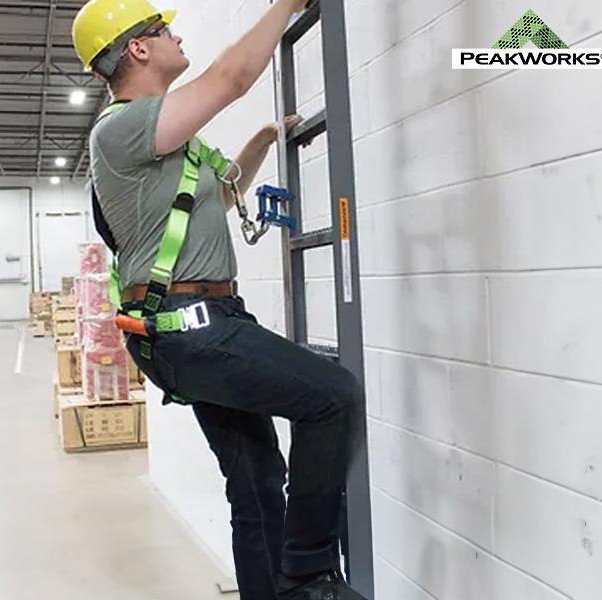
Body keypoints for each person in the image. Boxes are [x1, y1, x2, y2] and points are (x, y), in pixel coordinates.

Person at [72, 1, 367, 598]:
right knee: (334, 398)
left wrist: (265, 138)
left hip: (198, 326)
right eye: (163, 30)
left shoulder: (169, 144)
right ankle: (307, 573)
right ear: (138, 48)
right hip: (192, 329)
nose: (176, 36)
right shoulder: (121, 128)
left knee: (257, 482)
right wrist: (285, 5)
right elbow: (232, 79)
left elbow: (224, 192)